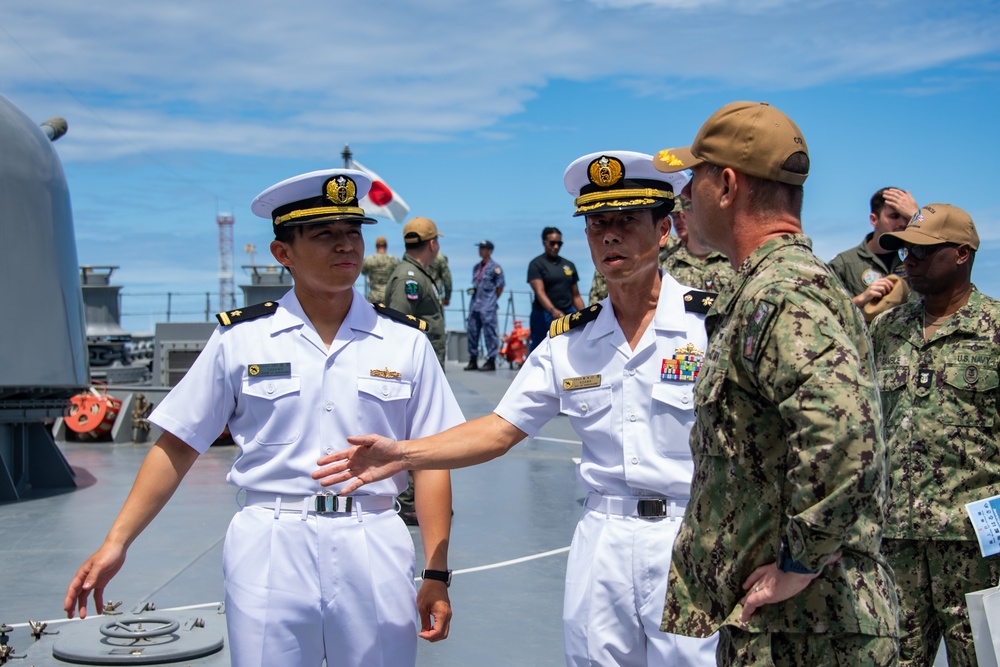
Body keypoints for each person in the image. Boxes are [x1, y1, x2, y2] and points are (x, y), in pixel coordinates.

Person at [316, 150, 719, 667]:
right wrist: (404, 454)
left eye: (626, 221)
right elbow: (498, 429)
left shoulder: (709, 327)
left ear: (664, 230)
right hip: (603, 542)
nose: (609, 235)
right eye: (597, 224)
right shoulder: (568, 343)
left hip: (690, 539)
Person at [63, 169, 461, 667]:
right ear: (283, 253)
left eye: (352, 232)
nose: (346, 246)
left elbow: (431, 459)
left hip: (373, 538)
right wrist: (115, 543)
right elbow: (179, 445)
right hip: (270, 542)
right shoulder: (241, 340)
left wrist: (436, 571)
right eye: (325, 235)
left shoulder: (407, 342)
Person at [652, 101, 899, 665]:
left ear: (728, 184)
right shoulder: (782, 283)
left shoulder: (779, 292)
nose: (685, 194)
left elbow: (844, 433)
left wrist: (801, 562)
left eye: (696, 177)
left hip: (805, 631)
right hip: (793, 626)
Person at [872, 204, 999, 666]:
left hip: (978, 549)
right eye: (906, 249)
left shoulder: (995, 330)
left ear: (962, 254)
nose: (910, 260)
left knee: (985, 659)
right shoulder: (887, 329)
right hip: (895, 543)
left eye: (924, 252)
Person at [828, 187, 918, 314]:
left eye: (906, 217)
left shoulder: (920, 257)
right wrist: (862, 299)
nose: (902, 223)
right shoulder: (843, 265)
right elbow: (828, 312)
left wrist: (918, 216)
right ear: (874, 220)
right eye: (894, 216)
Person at [385, 217, 447, 367]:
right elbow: (398, 327)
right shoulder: (409, 278)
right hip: (419, 368)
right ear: (432, 245)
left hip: (425, 364)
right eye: (437, 242)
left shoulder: (417, 274)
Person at [659, 195, 734, 293]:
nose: (677, 222)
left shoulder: (731, 257)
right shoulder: (669, 263)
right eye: (674, 217)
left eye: (680, 215)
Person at [527, 226, 585, 352]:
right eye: (552, 243)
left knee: (571, 346)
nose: (556, 247)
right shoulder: (536, 264)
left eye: (559, 243)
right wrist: (554, 311)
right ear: (544, 243)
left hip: (567, 311)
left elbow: (576, 295)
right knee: (540, 348)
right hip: (544, 313)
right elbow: (539, 292)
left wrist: (585, 316)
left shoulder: (569, 265)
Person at [465, 239, 505, 371]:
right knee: (473, 332)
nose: (480, 250)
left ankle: (491, 360)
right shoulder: (476, 268)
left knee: (490, 333)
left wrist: (491, 301)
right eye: (480, 248)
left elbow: (499, 287)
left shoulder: (495, 268)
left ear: (490, 251)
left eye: (483, 248)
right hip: (475, 305)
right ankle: (473, 359)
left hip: (487, 306)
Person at [361, 234, 398, 304]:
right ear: (386, 246)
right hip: (388, 297)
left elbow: (363, 271)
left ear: (376, 245)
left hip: (374, 297)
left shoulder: (369, 260)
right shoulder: (393, 260)